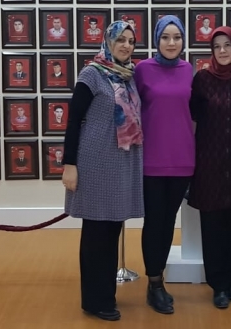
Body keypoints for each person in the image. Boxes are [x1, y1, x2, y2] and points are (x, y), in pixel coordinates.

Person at [61, 20, 144, 322]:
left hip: (121, 163)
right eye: (120, 40)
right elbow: (73, 121)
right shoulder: (92, 74)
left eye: (131, 41)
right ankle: (95, 301)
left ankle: (106, 295)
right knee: (96, 234)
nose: (126, 46)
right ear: (108, 41)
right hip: (95, 163)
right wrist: (69, 165)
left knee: (112, 231)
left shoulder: (129, 76)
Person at [188, 26, 231, 309]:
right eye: (217, 46)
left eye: (227, 45)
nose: (223, 51)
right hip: (209, 165)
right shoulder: (202, 80)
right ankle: (218, 285)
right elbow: (192, 118)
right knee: (212, 227)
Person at [133, 15, 195, 315]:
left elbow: (193, 114)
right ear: (156, 40)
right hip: (151, 161)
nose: (172, 43)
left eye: (177, 37)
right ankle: (154, 283)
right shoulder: (142, 70)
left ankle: (158, 279)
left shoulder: (188, 70)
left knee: (169, 222)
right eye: (166, 37)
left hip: (183, 159)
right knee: (154, 223)